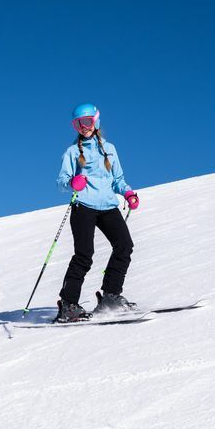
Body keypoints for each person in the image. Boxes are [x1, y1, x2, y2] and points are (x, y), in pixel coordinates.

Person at [55, 103, 139, 322]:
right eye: (78, 124)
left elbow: (118, 179)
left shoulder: (109, 149)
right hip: (83, 206)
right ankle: (68, 306)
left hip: (108, 205)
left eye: (87, 121)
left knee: (124, 245)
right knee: (84, 255)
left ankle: (111, 296)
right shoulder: (73, 152)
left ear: (96, 121)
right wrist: (73, 182)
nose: (83, 127)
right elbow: (61, 182)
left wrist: (128, 193)